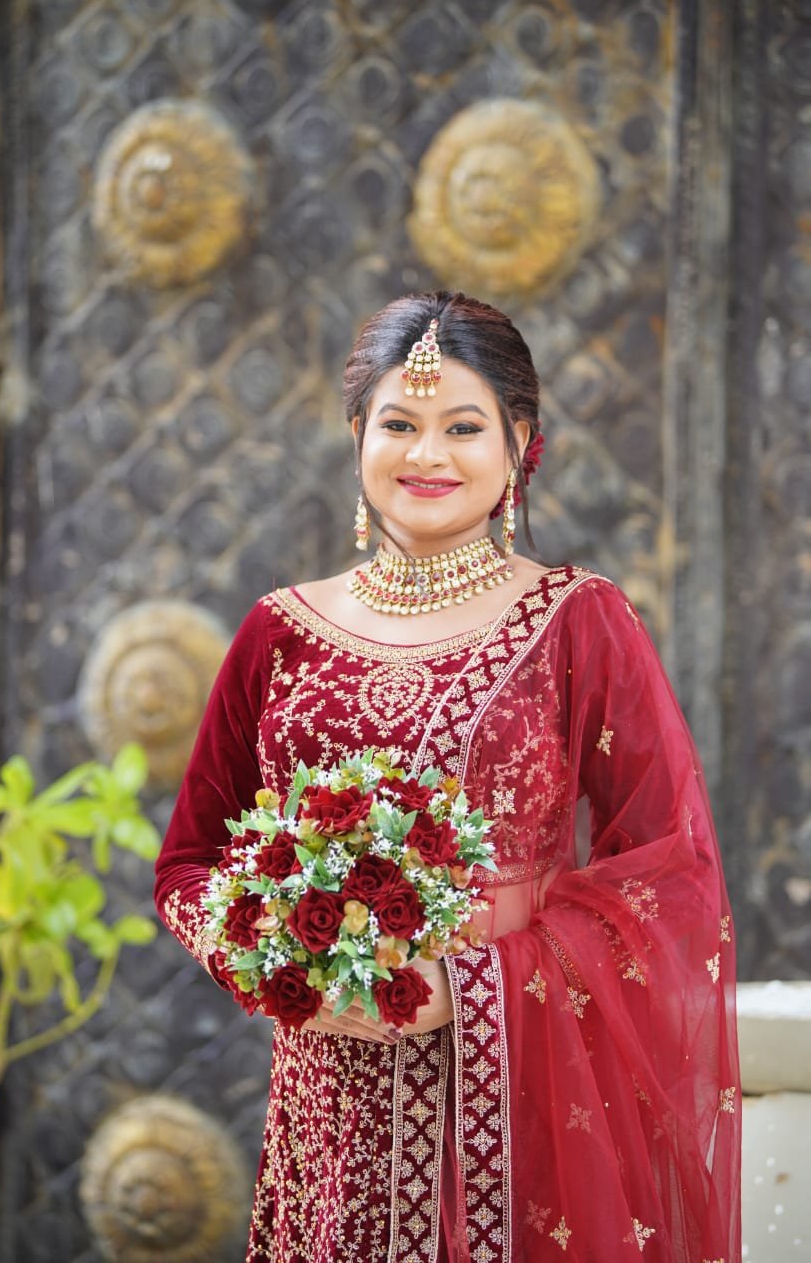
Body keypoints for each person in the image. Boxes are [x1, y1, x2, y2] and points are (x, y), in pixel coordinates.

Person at [154, 291, 741, 1262]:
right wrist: (276, 966)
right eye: (399, 424)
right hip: (329, 1113)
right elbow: (188, 864)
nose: (427, 454)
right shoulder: (279, 630)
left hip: (521, 1099)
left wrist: (467, 985)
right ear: (357, 434)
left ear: (520, 443)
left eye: (463, 427)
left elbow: (667, 871)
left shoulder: (575, 622)